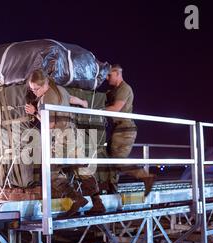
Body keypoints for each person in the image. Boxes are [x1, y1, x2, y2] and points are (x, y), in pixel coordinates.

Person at [25, 69, 106, 218]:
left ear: (45, 84)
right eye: (32, 89)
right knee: (83, 169)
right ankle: (98, 203)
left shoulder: (45, 99)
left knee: (51, 172)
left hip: (63, 138)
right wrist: (83, 102)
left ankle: (77, 199)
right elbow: (71, 98)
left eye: (36, 89)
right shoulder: (59, 89)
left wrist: (34, 113)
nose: (34, 92)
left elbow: (49, 125)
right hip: (75, 135)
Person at [105, 64, 154, 196]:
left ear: (117, 74)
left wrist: (94, 110)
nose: (106, 77)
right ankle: (111, 190)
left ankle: (145, 176)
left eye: (109, 75)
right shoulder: (113, 91)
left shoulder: (124, 88)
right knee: (109, 160)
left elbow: (116, 108)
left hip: (124, 129)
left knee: (117, 161)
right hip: (118, 129)